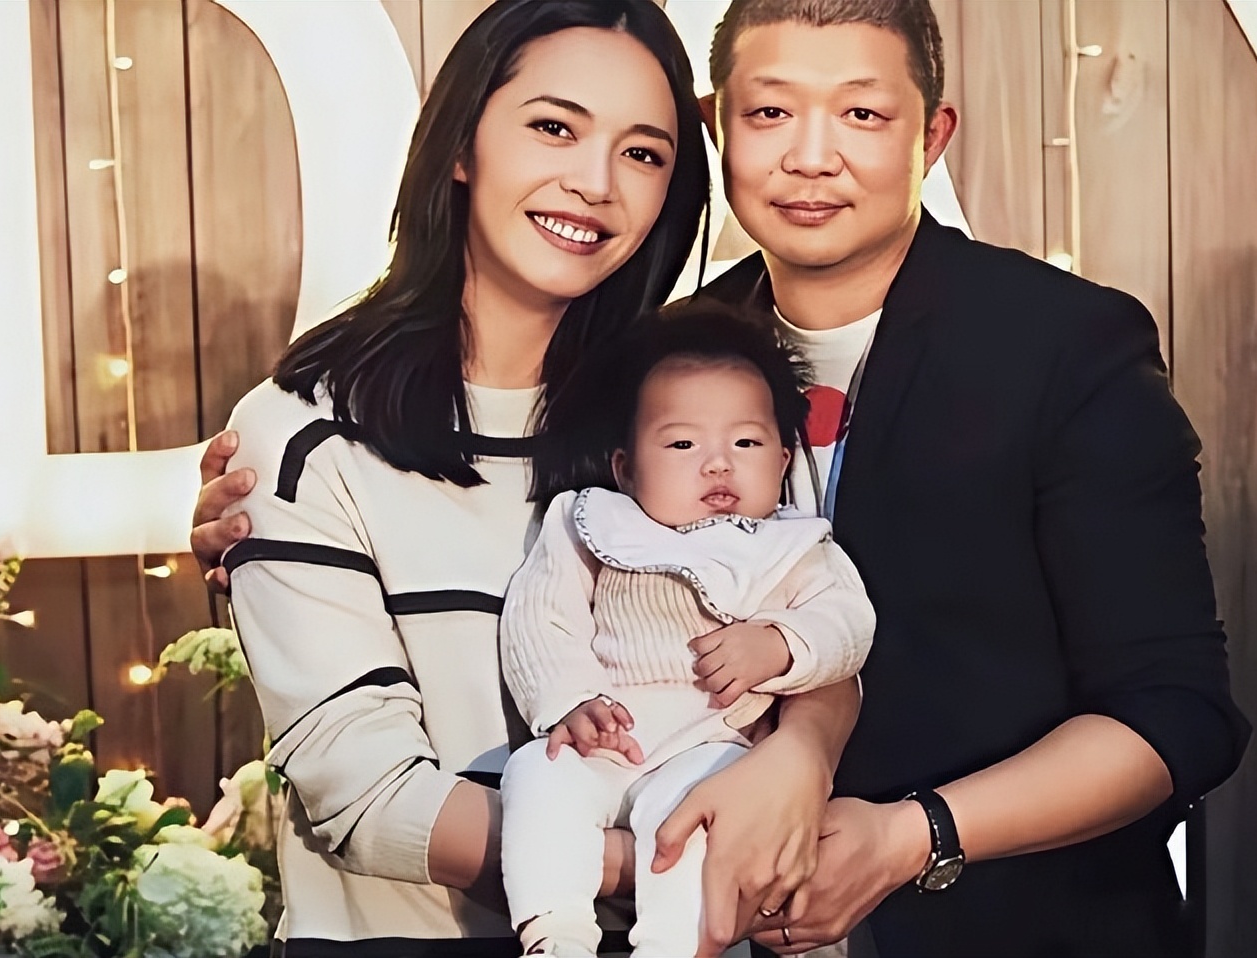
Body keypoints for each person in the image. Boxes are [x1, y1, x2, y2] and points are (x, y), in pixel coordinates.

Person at [194, 1, 860, 954]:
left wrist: (802, 758)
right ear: (463, 144)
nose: (594, 183)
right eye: (554, 127)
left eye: (643, 153)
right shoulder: (305, 434)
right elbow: (363, 797)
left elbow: (816, 626)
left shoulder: (698, 414)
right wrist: (685, 860)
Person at [646, 1, 1248, 955]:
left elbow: (1175, 713)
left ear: (931, 137)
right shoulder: (667, 356)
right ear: (718, 126)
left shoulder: (1065, 344)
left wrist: (912, 837)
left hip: (1028, 929)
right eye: (770, 113)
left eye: (861, 114)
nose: (811, 157)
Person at [497, 308, 875, 957]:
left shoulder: (796, 548)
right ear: (625, 468)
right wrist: (568, 700)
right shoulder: (596, 524)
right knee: (537, 774)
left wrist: (781, 643)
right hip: (608, 737)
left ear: (784, 460)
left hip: (716, 746)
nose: (718, 465)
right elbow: (540, 615)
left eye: (746, 444)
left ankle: (674, 947)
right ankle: (554, 934)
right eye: (681, 446)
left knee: (701, 825)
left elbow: (848, 623)